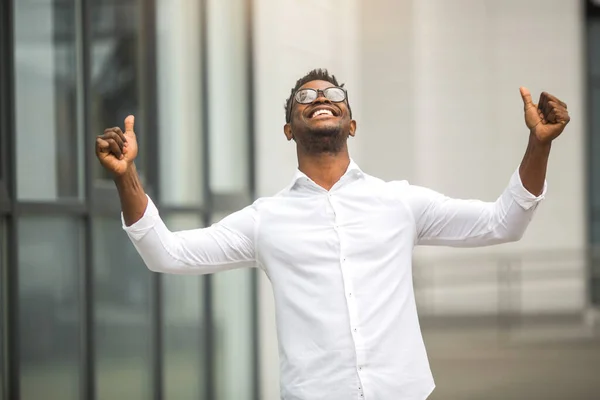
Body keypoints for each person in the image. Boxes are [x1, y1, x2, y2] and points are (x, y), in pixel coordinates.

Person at [95, 69, 570, 400]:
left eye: (333, 93)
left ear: (352, 122)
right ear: (288, 129)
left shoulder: (399, 202)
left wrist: (538, 145)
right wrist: (125, 177)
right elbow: (167, 253)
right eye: (305, 97)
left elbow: (503, 221)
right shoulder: (266, 220)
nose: (319, 98)